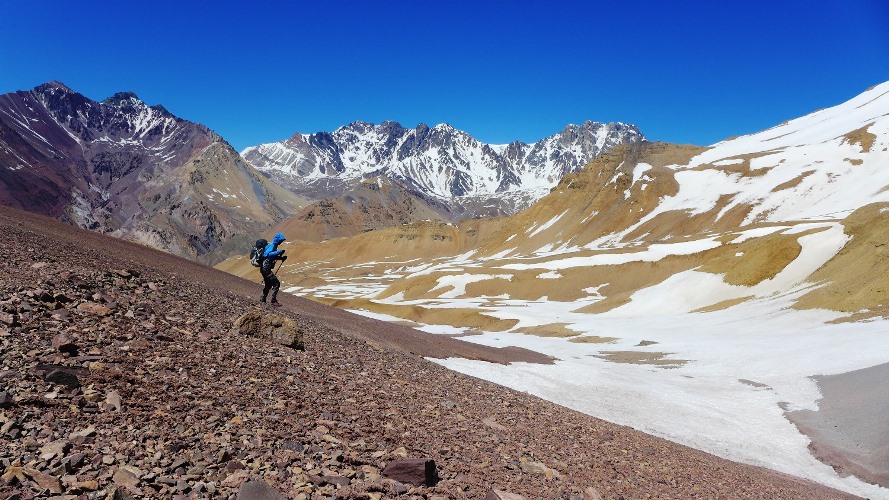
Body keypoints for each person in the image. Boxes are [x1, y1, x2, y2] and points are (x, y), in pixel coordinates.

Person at [260, 232, 287, 305]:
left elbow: (271, 257)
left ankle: (262, 299)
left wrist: (281, 258)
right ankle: (273, 300)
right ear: (278, 240)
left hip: (264, 268)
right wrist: (279, 252)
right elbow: (268, 254)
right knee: (276, 283)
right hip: (266, 268)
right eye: (281, 240)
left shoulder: (273, 246)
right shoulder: (272, 246)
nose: (281, 242)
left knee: (268, 284)